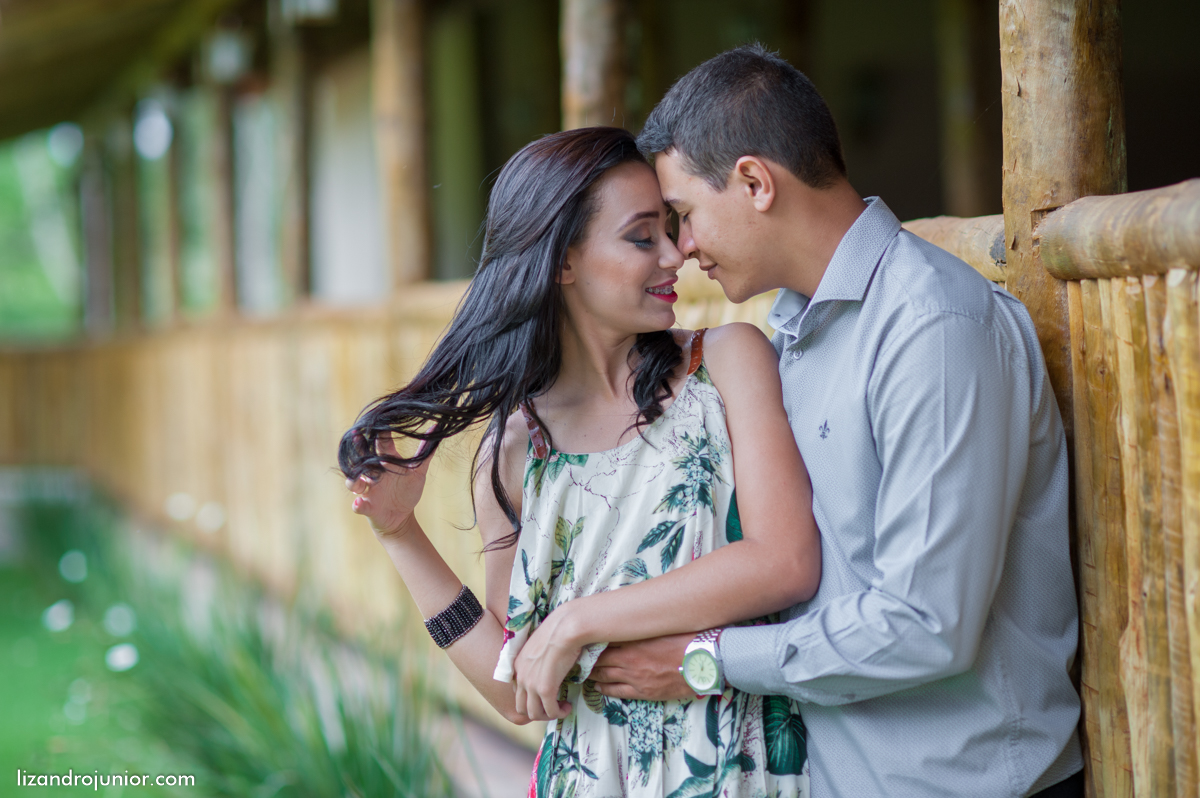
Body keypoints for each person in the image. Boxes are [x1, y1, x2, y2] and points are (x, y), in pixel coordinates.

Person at [586, 44, 1084, 798]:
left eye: (684, 216)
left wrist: (706, 658)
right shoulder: (794, 331)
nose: (683, 251)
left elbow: (925, 624)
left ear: (754, 182)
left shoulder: (933, 328)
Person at [340, 125, 822, 797]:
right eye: (641, 235)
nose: (676, 253)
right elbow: (520, 691)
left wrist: (579, 622)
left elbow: (785, 563)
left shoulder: (729, 363)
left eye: (671, 228)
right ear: (562, 260)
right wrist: (400, 536)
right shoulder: (517, 450)